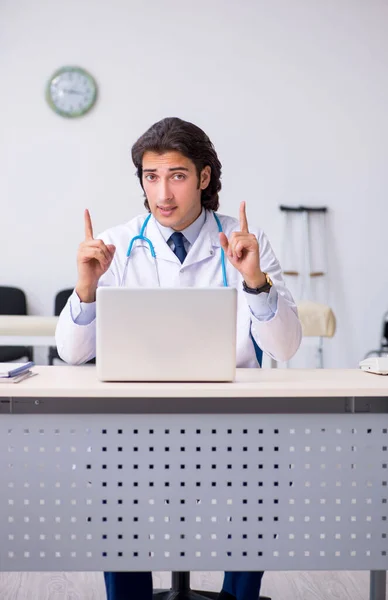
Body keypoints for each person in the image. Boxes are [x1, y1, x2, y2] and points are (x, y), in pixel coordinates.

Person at [56, 117, 302, 600]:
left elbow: (285, 347)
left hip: (232, 419)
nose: (162, 193)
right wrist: (86, 285)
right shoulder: (118, 244)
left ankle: (239, 597)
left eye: (177, 176)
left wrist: (254, 280)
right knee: (115, 491)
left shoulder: (244, 242)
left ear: (204, 178)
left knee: (260, 485)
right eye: (151, 177)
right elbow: (72, 352)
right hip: (136, 420)